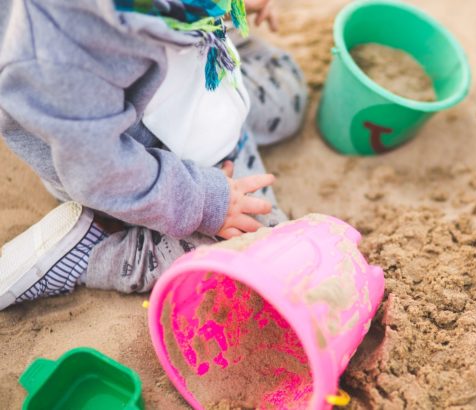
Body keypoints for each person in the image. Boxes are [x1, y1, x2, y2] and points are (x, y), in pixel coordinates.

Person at [0, 0, 307, 310]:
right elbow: (103, 174)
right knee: (261, 248)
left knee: (289, 93)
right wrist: (206, 202)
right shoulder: (57, 53)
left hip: (197, 85)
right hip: (147, 171)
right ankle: (95, 250)